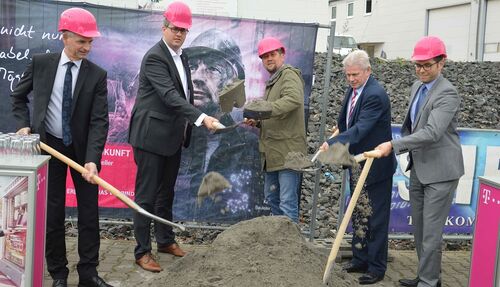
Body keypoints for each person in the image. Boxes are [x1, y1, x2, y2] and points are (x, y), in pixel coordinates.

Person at [10, 8, 111, 287]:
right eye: (81, 41)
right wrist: (24, 125)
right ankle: (58, 274)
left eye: (90, 42)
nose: (87, 47)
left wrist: (92, 160)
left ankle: (88, 273)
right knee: (52, 214)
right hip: (48, 147)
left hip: (82, 153)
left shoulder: (97, 75)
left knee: (89, 214)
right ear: (64, 36)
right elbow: (19, 98)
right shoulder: (42, 63)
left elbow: (99, 122)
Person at [128, 1, 219, 273]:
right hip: (150, 136)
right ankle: (142, 251)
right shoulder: (155, 57)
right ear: (164, 27)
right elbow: (169, 96)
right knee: (145, 196)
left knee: (166, 192)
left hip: (172, 137)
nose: (179, 34)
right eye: (174, 29)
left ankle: (165, 240)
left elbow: (185, 95)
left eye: (183, 30)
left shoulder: (183, 56)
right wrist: (201, 118)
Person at [376, 36, 464, 287]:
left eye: (427, 65)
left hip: (441, 172)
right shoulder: (417, 86)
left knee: (431, 234)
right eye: (418, 65)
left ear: (441, 63)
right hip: (419, 168)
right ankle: (428, 277)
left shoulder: (448, 93)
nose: (422, 70)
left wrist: (394, 145)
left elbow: (433, 132)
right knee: (421, 230)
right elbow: (413, 124)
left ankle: (428, 283)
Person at [319, 50, 396, 285]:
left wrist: (332, 143)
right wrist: (339, 128)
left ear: (368, 71)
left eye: (355, 74)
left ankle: (376, 267)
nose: (351, 79)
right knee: (359, 213)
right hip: (358, 163)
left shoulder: (375, 94)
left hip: (375, 166)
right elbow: (349, 121)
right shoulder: (353, 91)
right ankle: (360, 258)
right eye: (348, 75)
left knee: (376, 218)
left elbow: (362, 128)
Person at [245, 37, 307, 224]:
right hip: (273, 154)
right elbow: (277, 117)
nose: (269, 59)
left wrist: (263, 110)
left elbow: (293, 100)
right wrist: (257, 121)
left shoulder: (288, 75)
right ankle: (282, 243)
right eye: (264, 56)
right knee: (273, 199)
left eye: (272, 54)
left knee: (287, 202)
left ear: (282, 54)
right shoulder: (274, 81)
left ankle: (292, 248)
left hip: (288, 153)